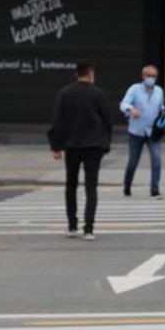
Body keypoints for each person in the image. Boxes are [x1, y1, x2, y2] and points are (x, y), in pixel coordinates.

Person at [48, 61, 112, 241]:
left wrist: (55, 146)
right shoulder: (98, 93)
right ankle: (89, 229)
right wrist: (105, 143)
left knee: (71, 185)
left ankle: (72, 225)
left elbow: (57, 120)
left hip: (72, 145)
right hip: (94, 145)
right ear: (90, 74)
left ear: (77, 74)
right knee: (91, 187)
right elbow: (107, 120)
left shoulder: (65, 93)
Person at [120, 65, 165, 198]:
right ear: (143, 76)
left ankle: (154, 189)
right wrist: (131, 109)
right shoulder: (135, 89)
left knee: (157, 160)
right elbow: (123, 104)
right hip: (136, 131)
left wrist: (164, 115)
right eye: (148, 75)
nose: (151, 78)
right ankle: (127, 185)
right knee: (133, 161)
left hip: (152, 132)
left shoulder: (159, 91)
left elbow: (161, 107)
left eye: (154, 76)